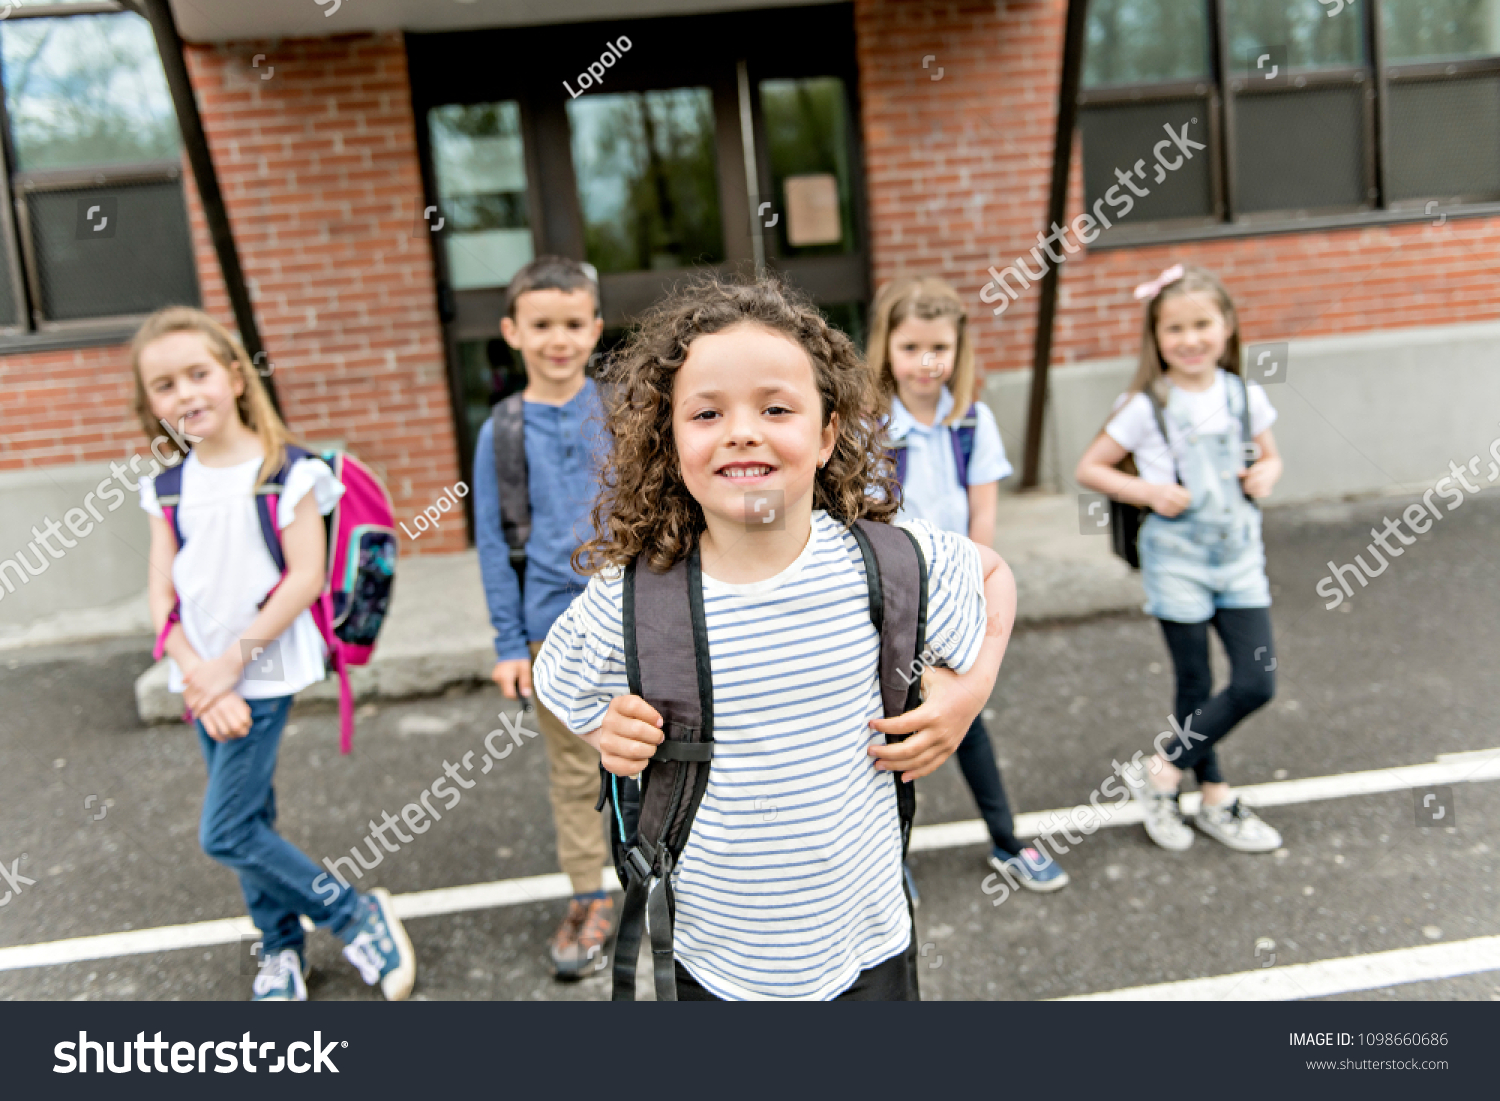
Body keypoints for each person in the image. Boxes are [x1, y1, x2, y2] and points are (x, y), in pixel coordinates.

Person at [532, 272, 1017, 1000]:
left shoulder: (880, 560)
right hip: (715, 963)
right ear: (669, 440)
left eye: (776, 407)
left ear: (827, 434)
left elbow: (992, 573)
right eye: (706, 414)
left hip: (868, 943)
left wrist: (963, 696)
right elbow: (558, 677)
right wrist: (607, 724)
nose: (742, 430)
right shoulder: (636, 593)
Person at [134, 307, 415, 1002]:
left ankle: (354, 911)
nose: (185, 394)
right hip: (200, 676)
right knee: (249, 817)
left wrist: (230, 667)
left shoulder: (288, 472)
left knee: (224, 829)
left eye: (198, 373)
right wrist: (198, 671)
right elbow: (160, 590)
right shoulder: (167, 485)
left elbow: (305, 576)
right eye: (164, 385)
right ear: (150, 403)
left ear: (234, 376)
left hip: (259, 671)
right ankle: (282, 947)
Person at [868, 275, 1068, 892]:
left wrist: (976, 596)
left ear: (959, 351)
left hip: (952, 603)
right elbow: (863, 520)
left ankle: (1006, 843)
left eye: (940, 349)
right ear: (886, 350)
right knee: (887, 736)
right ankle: (885, 860)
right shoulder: (868, 428)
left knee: (966, 719)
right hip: (887, 605)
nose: (926, 363)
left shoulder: (973, 425)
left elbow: (983, 524)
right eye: (910, 348)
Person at [1075, 264, 1283, 854]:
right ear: (1156, 337)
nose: (1190, 340)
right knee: (1194, 682)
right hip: (1177, 559)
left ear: (1227, 326)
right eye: (1175, 329)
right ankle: (1214, 794)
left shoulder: (1245, 394)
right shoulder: (1146, 404)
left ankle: (1162, 772)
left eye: (1202, 325)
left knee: (1255, 681)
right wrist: (1149, 492)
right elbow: (1091, 467)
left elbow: (1271, 458)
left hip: (1239, 557)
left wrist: (1267, 472)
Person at [471, 256, 615, 979]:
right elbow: (494, 545)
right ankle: (591, 897)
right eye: (541, 325)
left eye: (571, 323)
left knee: (665, 751)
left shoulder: (625, 413)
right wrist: (508, 642)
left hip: (635, 618)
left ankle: (682, 881)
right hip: (550, 632)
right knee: (573, 771)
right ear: (512, 332)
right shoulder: (500, 431)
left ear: (594, 327)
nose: (558, 339)